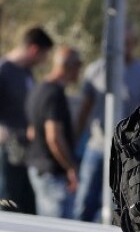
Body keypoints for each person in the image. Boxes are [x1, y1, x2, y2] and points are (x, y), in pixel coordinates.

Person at [72, 24, 140, 222]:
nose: (124, 47)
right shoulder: (96, 70)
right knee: (84, 202)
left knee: (117, 203)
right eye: (120, 42)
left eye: (128, 43)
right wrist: (74, 141)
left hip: (124, 152)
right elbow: (84, 108)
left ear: (134, 44)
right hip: (97, 147)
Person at [24, 45, 82, 219]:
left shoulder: (38, 88)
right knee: (59, 229)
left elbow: (31, 131)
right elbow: (54, 137)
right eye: (78, 65)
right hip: (51, 173)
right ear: (68, 66)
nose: (80, 70)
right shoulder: (54, 94)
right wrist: (70, 167)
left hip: (38, 168)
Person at [0, 26, 54, 214]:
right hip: (6, 151)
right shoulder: (4, 71)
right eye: (43, 55)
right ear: (33, 49)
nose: (43, 61)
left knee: (26, 205)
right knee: (8, 202)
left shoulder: (26, 72)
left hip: (26, 150)